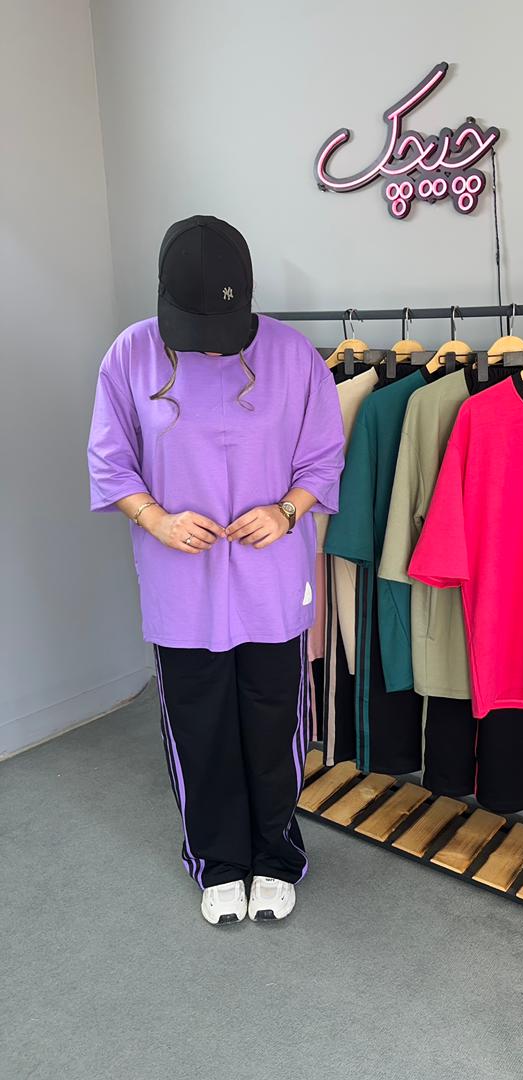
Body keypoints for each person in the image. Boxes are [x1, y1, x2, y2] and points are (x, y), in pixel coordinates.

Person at [87, 215, 345, 926]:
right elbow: (110, 461)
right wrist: (156, 519)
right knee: (198, 726)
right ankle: (218, 861)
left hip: (271, 578)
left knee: (272, 724)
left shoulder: (294, 357)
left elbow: (323, 458)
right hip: (181, 582)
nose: (207, 346)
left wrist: (287, 512)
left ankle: (276, 856)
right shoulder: (131, 355)